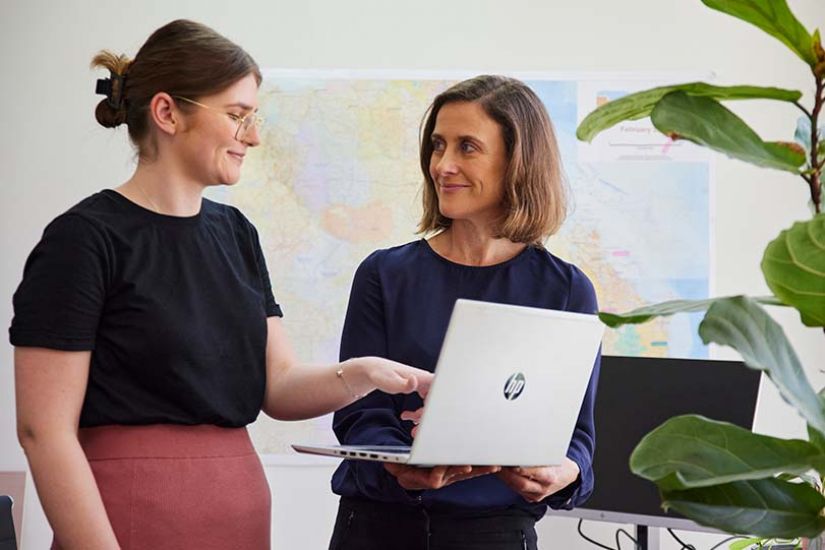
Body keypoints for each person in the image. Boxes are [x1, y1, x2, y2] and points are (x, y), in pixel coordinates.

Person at [10, 19, 432, 550]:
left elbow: (277, 388)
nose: (253, 136)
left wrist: (365, 374)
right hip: (130, 516)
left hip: (239, 513)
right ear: (166, 112)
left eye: (254, 118)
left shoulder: (236, 234)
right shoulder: (84, 240)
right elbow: (43, 431)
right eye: (236, 116)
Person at [328, 75, 601, 550]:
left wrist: (566, 470)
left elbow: (577, 432)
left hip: (495, 534)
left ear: (518, 162)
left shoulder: (566, 289)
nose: (442, 165)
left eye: (467, 147)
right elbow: (359, 415)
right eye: (437, 145)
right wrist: (402, 462)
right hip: (375, 531)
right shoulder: (383, 274)